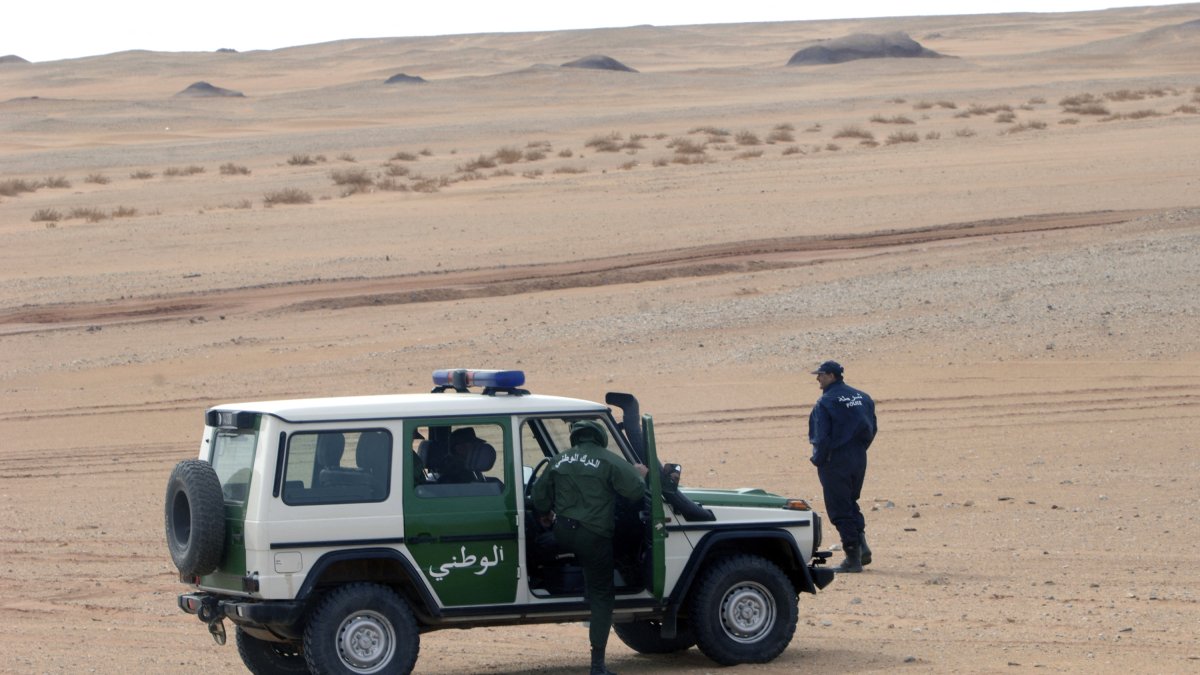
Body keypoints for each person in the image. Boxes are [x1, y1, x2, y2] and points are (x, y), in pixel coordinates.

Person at [531, 419, 649, 675]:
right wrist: (638, 473)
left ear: (575, 436)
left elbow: (539, 497)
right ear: (600, 436)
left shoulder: (558, 460)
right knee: (602, 596)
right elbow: (636, 491)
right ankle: (597, 665)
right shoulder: (608, 460)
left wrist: (544, 514)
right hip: (593, 537)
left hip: (562, 533)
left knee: (545, 546)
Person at [808, 360, 877, 573]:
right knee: (850, 501)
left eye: (820, 374)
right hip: (858, 456)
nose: (817, 378)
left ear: (831, 376)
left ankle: (852, 558)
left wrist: (819, 459)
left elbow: (821, 437)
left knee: (839, 508)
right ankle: (861, 546)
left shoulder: (826, 402)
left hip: (835, 460)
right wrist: (859, 449)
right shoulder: (862, 397)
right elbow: (872, 427)